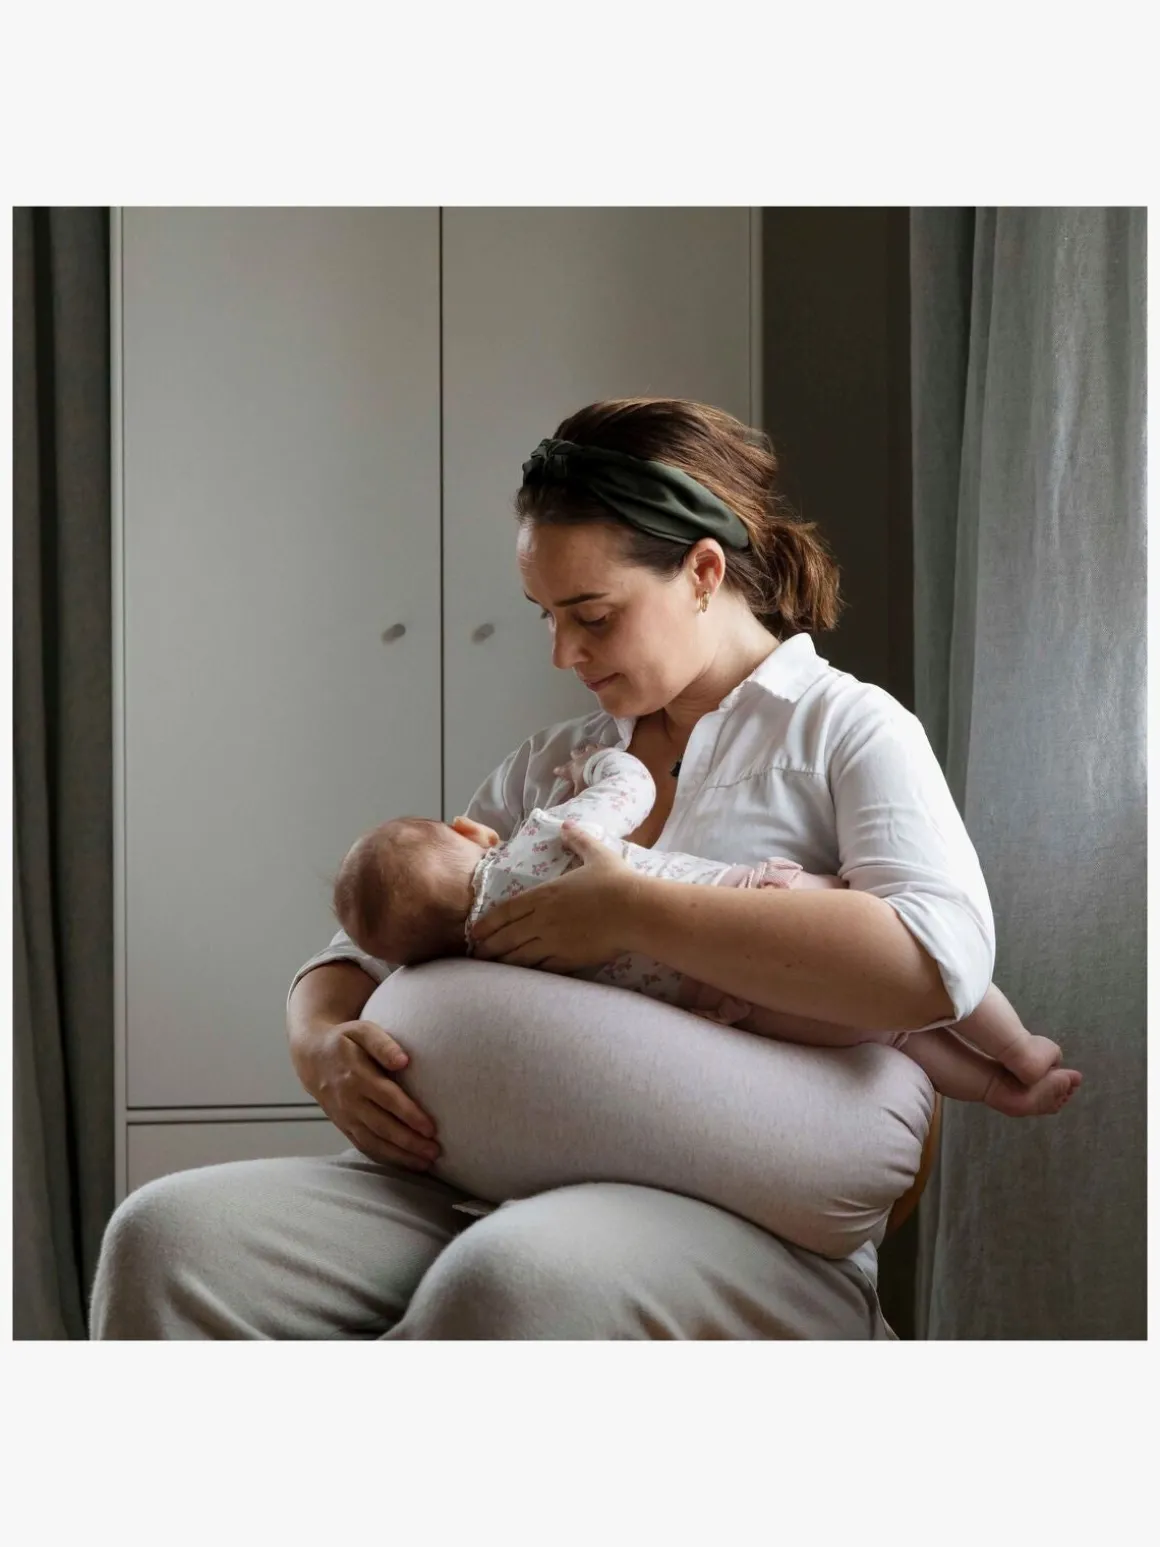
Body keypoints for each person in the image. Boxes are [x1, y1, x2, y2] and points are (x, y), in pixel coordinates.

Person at [91, 397, 997, 1339]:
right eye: (547, 618)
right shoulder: (557, 760)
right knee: (166, 1236)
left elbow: (940, 960)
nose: (565, 652)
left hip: (732, 1218)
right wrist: (320, 1047)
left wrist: (631, 912)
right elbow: (360, 948)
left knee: (514, 1277)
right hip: (481, 1178)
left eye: (592, 615)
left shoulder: (846, 731)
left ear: (703, 572)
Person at [331, 740, 1080, 1118]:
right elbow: (632, 788)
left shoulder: (491, 965)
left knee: (896, 1035)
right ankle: (1018, 1048)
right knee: (908, 957)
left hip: (730, 1013)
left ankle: (991, 1087)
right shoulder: (541, 837)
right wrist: (597, 764)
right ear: (472, 832)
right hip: (753, 905)